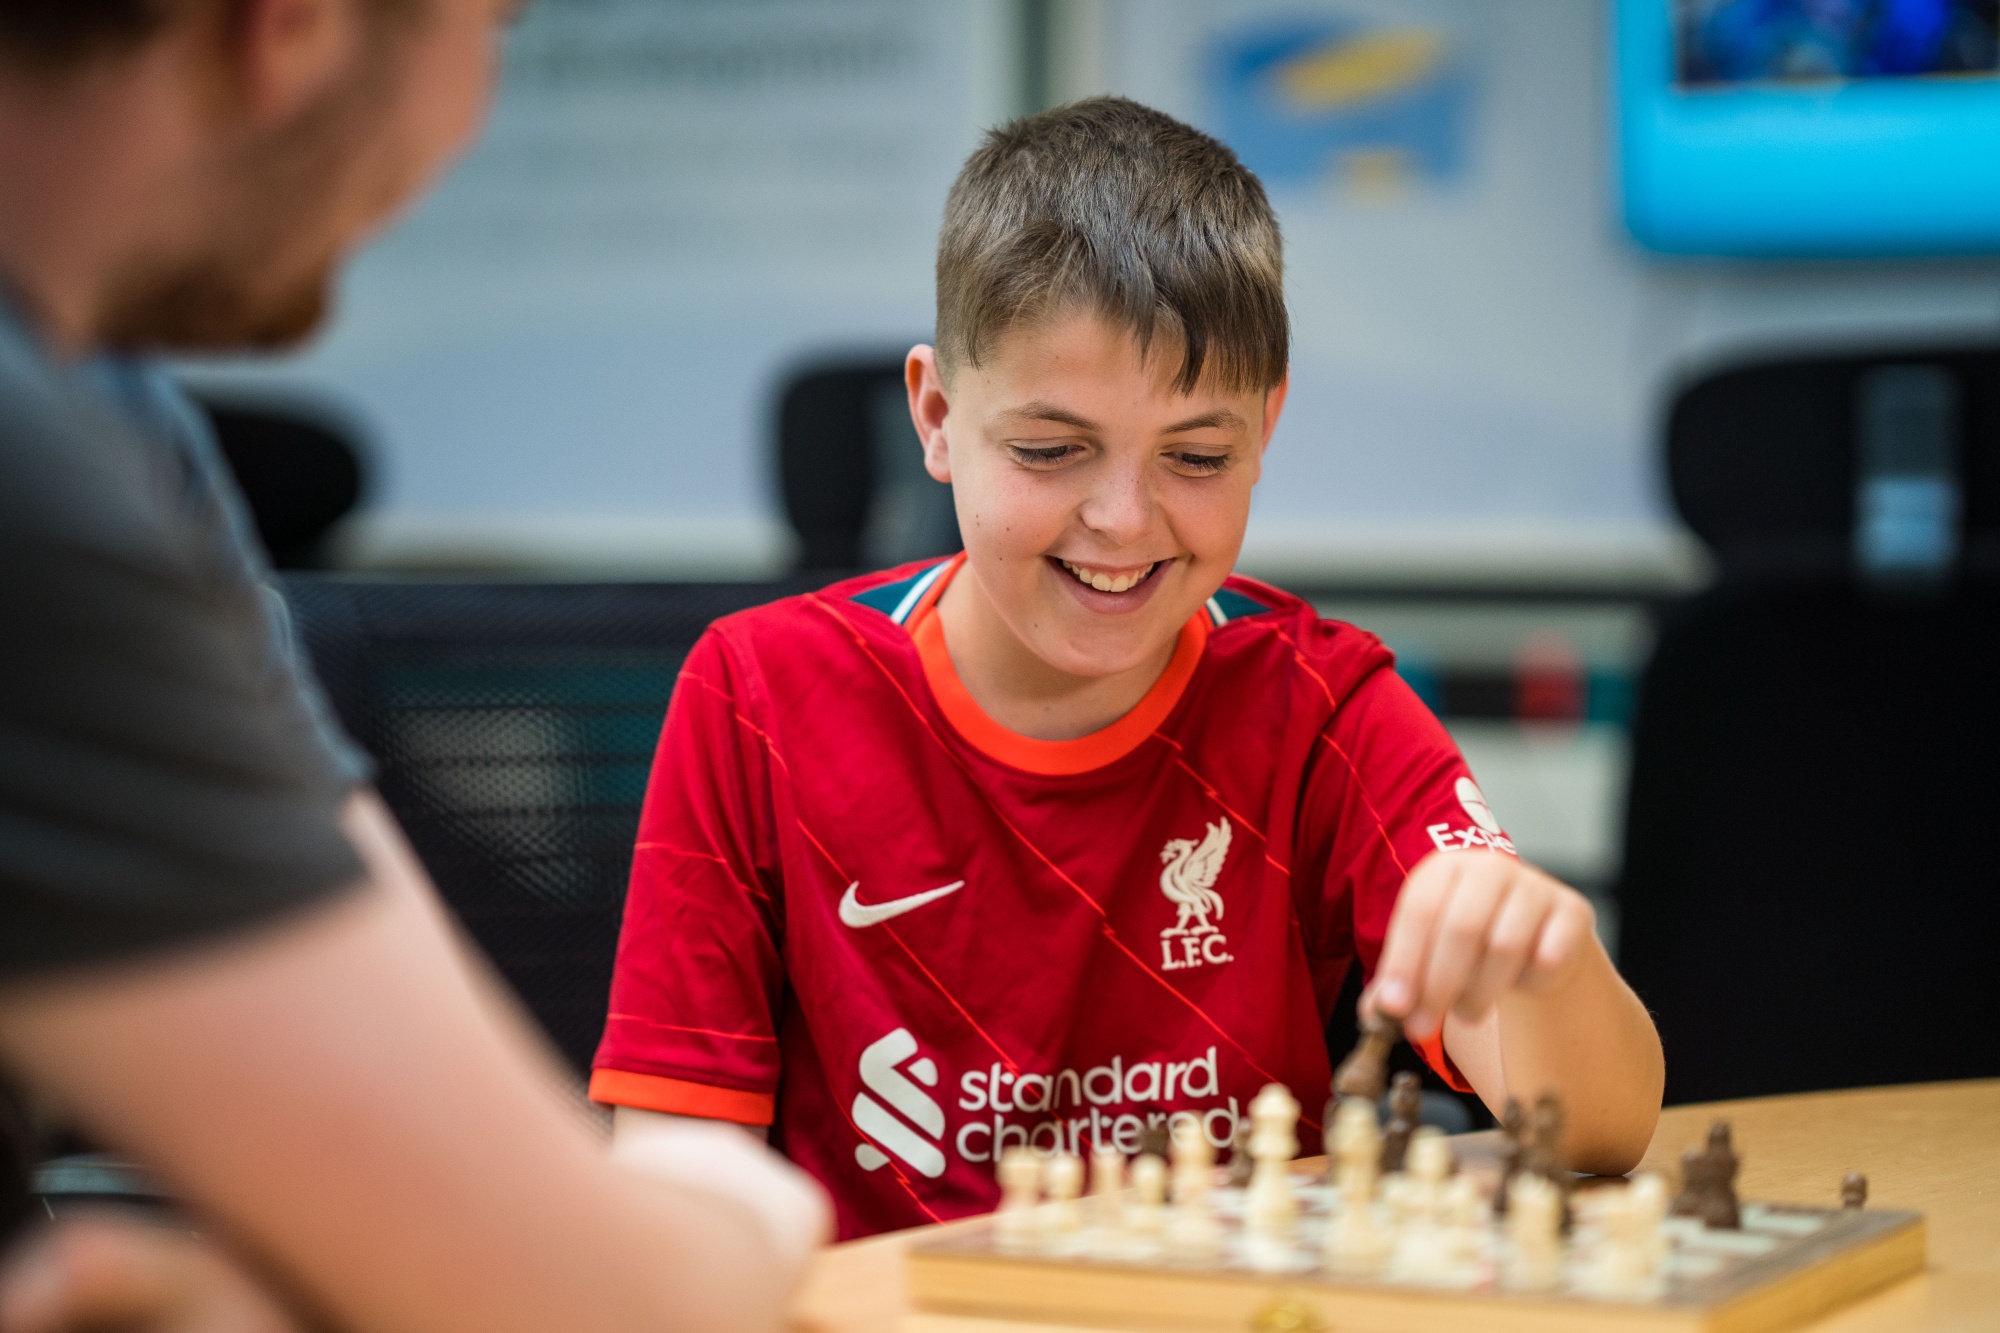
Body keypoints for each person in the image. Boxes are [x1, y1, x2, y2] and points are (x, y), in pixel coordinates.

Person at [591, 97, 1665, 1240]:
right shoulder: (758, 692)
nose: (1120, 518)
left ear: (1266, 428)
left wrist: (1544, 965)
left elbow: (1595, 1128)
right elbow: (674, 1168)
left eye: (1197, 456)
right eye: (1050, 451)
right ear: (937, 415)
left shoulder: (1319, 702)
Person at [0, 1, 826, 1330]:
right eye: (495, 19)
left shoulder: (114, 422)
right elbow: (581, 1298)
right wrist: (738, 1203)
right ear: (296, 27)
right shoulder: (35, 477)